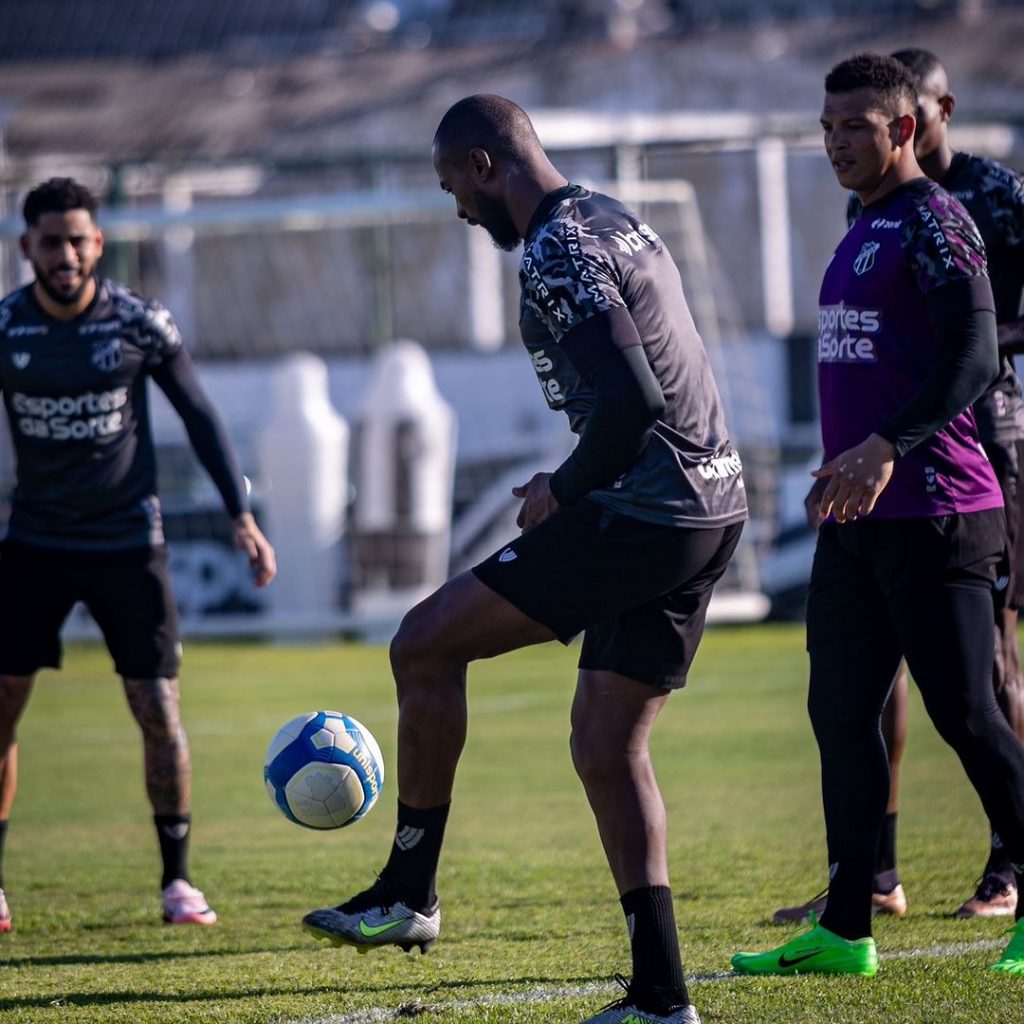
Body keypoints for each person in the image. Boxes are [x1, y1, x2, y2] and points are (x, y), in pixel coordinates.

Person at [302, 94, 747, 1024]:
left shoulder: (554, 248)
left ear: (482, 166)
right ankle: (663, 997)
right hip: (711, 503)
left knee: (423, 645)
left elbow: (630, 400)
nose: (457, 213)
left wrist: (563, 487)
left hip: (645, 508)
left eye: (451, 189)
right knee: (606, 744)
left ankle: (407, 895)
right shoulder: (617, 220)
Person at [731, 53, 1024, 978]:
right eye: (826, 129)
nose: (836, 144)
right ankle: (848, 924)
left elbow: (977, 357)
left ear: (905, 128)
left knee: (969, 715)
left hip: (936, 511)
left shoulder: (938, 220)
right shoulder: (863, 224)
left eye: (854, 126)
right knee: (839, 712)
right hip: (856, 520)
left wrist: (887, 444)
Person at [0, 177, 276, 933]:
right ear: (27, 248)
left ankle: (177, 884)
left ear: (98, 244)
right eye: (50, 241)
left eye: (79, 239)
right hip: (34, 542)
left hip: (128, 541)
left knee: (158, 708)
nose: (65, 253)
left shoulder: (139, 322)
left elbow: (200, 416)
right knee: (2, 708)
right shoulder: (6, 329)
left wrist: (240, 516)